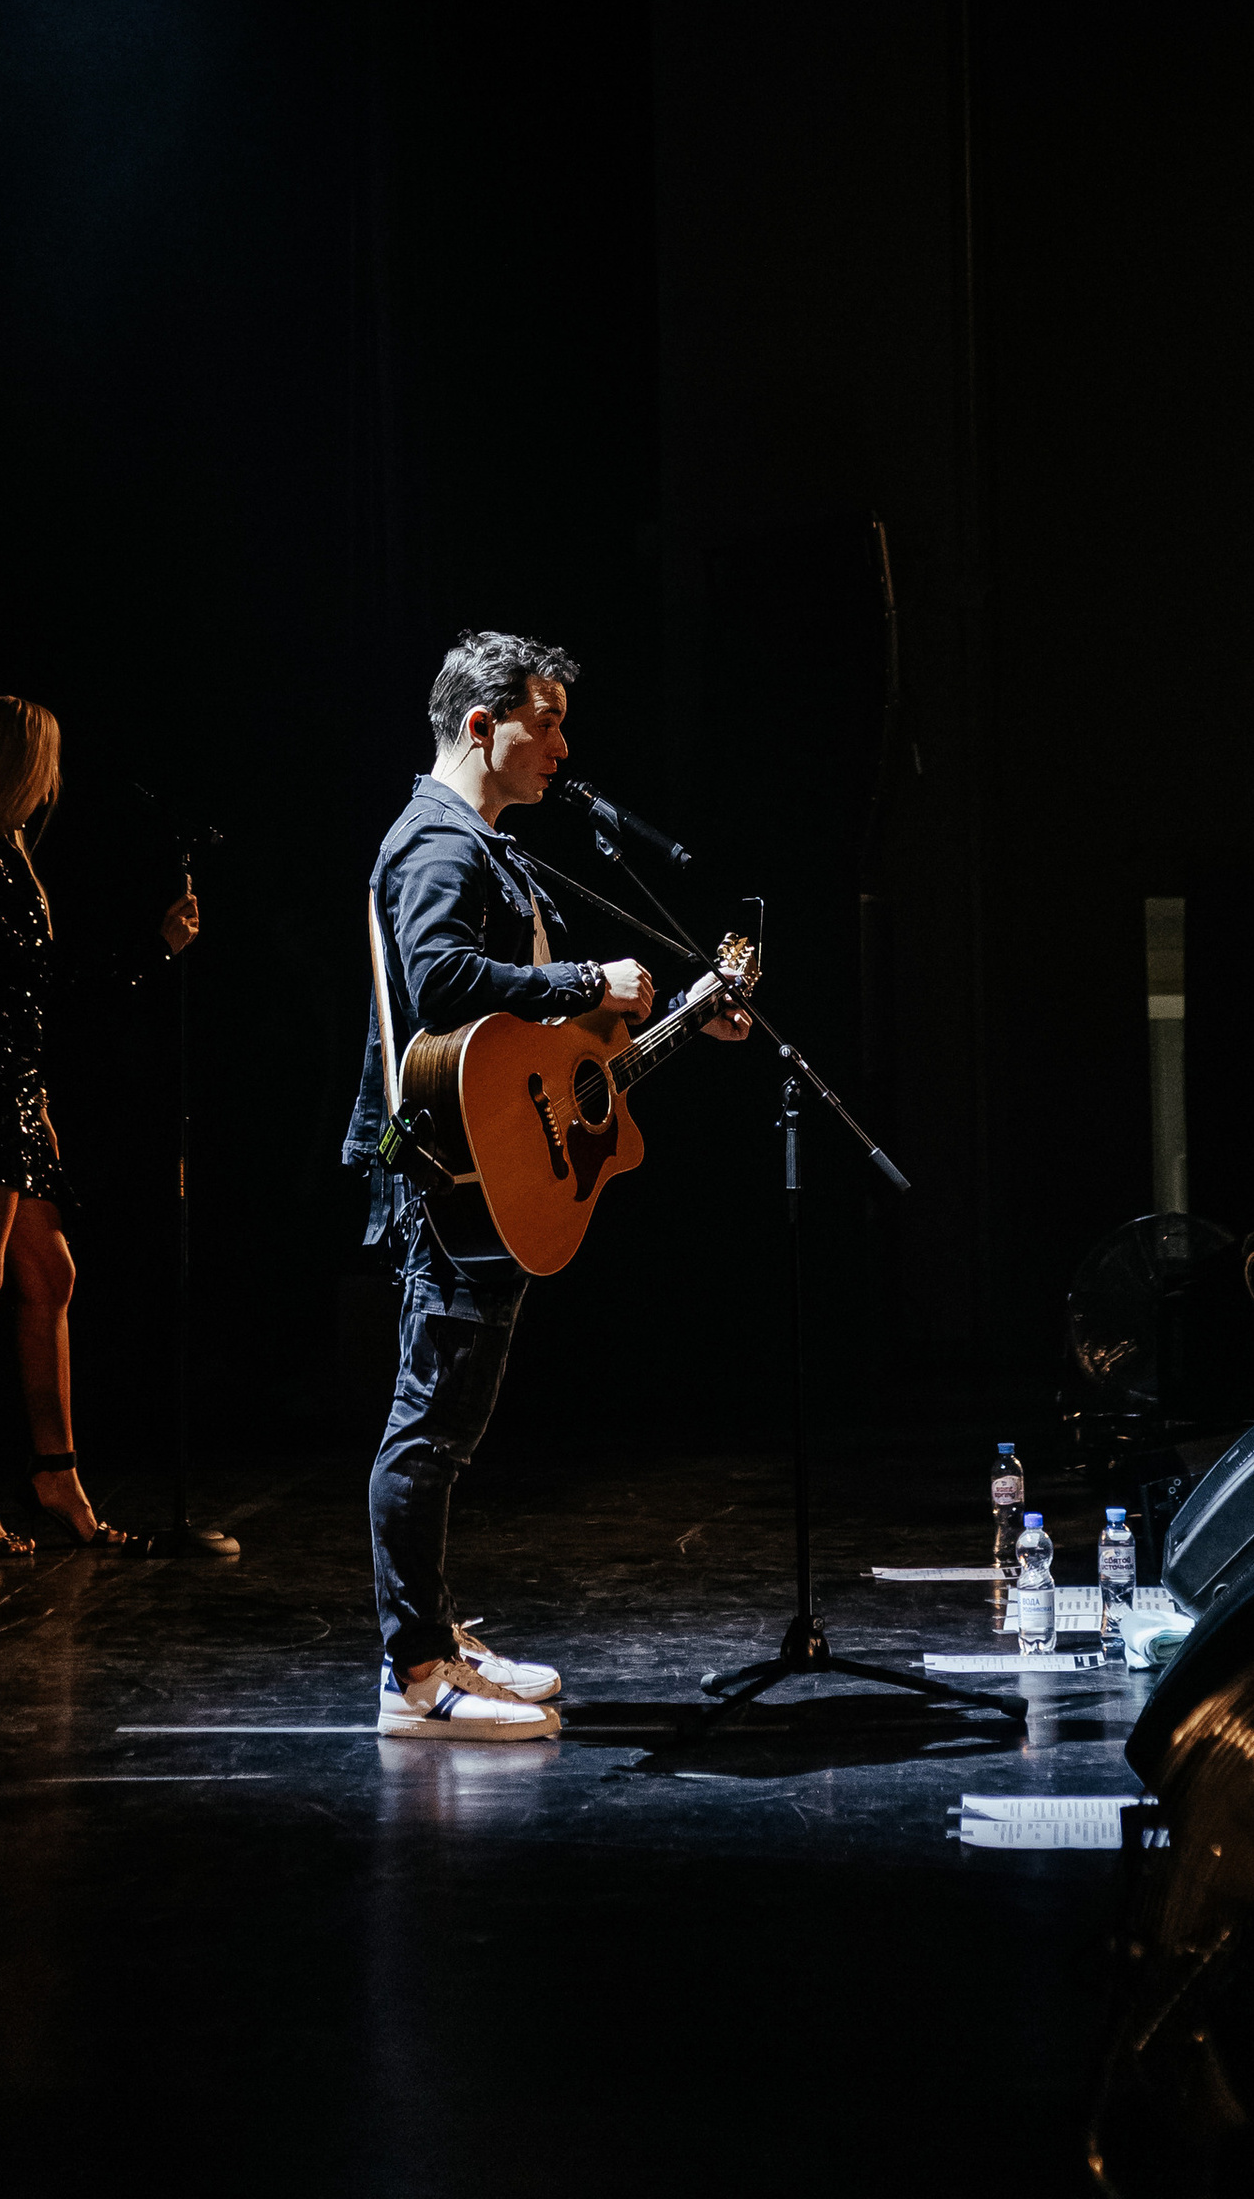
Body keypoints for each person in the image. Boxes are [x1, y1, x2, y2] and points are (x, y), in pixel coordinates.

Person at [343, 628, 747, 1733]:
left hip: (490, 1163)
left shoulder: (486, 843)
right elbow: (436, 984)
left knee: (451, 1425)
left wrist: (664, 1018)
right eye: (547, 719)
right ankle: (413, 1673)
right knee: (429, 1424)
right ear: (483, 725)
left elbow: (535, 1053)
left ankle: (435, 1637)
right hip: (447, 1173)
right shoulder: (438, 844)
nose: (563, 744)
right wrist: (583, 976)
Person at [0, 692, 200, 1557]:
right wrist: (152, 952)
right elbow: (21, 1000)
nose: (54, 777)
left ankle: (55, 1474)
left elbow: (29, 1001)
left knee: (50, 1276)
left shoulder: (5, 857)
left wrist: (35, 1102)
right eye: (45, 758)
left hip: (8, 1094)